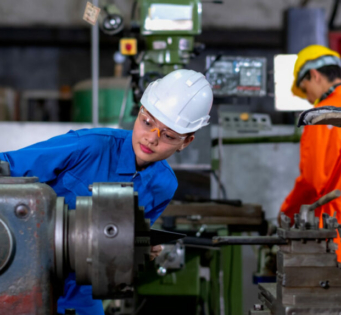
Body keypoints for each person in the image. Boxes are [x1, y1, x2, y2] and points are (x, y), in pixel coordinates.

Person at [0, 69, 213, 315]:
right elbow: (8, 165)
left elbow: (118, 245)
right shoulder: (88, 146)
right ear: (140, 112)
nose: (151, 139)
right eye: (147, 123)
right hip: (21, 272)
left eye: (168, 135)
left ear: (185, 142)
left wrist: (138, 247)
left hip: (79, 290)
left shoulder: (164, 185)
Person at [279, 45, 341, 264]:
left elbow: (312, 183)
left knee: (330, 294)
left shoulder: (321, 117)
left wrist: (285, 214)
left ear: (314, 75)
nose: (308, 99)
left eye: (305, 90)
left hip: (335, 230)